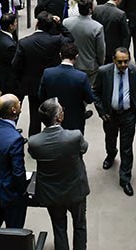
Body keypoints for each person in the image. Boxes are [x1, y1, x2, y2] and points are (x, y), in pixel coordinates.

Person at [28, 98, 90, 250]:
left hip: (51, 193)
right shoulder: (74, 136)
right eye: (62, 111)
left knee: (59, 227)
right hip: (75, 189)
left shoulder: (34, 142)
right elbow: (84, 148)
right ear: (59, 118)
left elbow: (34, 154)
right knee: (80, 225)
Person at [93, 47, 136, 197]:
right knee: (110, 139)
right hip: (110, 115)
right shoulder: (104, 72)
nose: (123, 65)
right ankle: (111, 154)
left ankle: (125, 178)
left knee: (127, 147)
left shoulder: (135, 71)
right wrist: (101, 111)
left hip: (128, 115)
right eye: (120, 62)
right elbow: (95, 92)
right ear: (114, 60)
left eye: (126, 61)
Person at [15, 12, 72, 136]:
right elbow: (70, 38)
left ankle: (34, 143)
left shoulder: (24, 42)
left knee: (34, 117)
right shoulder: (56, 40)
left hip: (32, 85)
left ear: (37, 23)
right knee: (54, 114)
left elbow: (16, 65)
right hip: (52, 83)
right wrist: (60, 24)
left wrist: (23, 79)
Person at [0, 94, 28, 228]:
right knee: (14, 234)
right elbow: (18, 171)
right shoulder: (15, 139)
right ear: (14, 110)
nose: (20, 103)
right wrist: (23, 191)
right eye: (18, 103)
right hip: (9, 195)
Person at [39, 42, 96, 133]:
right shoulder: (81, 77)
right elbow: (89, 99)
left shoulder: (48, 73)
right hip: (75, 120)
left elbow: (41, 96)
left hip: (53, 118)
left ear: (60, 55)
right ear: (76, 57)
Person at [63, 0, 105, 85]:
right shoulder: (97, 27)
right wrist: (100, 63)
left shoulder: (66, 22)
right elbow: (100, 50)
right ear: (90, 10)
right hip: (89, 66)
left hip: (71, 63)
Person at [93, 0, 131, 64]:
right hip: (112, 48)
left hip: (97, 46)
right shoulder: (120, 14)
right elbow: (125, 34)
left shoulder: (97, 9)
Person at [0, 13, 18, 95]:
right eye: (15, 22)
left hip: (1, 78)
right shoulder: (10, 46)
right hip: (10, 83)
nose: (16, 23)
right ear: (11, 26)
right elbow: (15, 63)